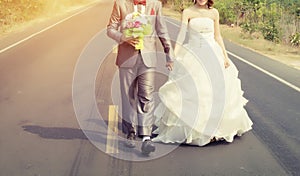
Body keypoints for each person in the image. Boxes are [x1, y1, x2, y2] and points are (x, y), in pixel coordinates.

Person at [152, 0, 253, 146]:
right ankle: (197, 131)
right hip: (193, 53)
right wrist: (174, 55)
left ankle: (214, 131)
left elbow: (218, 36)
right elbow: (181, 35)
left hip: (213, 54)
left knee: (215, 93)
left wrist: (225, 56)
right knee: (197, 92)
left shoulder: (214, 13)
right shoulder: (187, 12)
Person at [107, 0, 174, 155]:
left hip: (148, 58)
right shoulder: (120, 4)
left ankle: (146, 137)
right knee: (128, 97)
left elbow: (162, 31)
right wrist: (124, 37)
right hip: (126, 58)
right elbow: (110, 29)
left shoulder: (155, 5)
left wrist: (169, 55)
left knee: (147, 96)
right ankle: (129, 133)